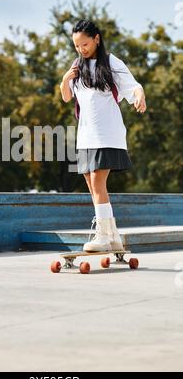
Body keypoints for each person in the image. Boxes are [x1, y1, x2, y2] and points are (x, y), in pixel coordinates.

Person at [60, 19, 147, 252]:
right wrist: (65, 79)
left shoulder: (110, 62)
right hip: (86, 135)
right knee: (92, 184)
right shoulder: (77, 67)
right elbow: (67, 97)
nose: (82, 49)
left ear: (96, 39)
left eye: (85, 44)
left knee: (98, 182)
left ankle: (102, 235)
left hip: (107, 133)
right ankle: (113, 236)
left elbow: (132, 85)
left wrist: (139, 95)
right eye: (77, 46)